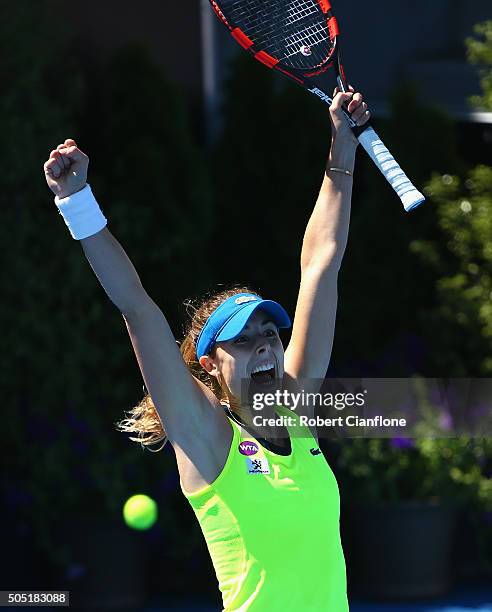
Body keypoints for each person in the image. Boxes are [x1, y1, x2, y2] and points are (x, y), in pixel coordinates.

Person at [44, 88, 370, 611]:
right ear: (209, 366)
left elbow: (321, 263)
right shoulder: (205, 434)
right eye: (242, 340)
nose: (265, 346)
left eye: (269, 334)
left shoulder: (295, 409)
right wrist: (76, 202)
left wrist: (342, 148)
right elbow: (138, 308)